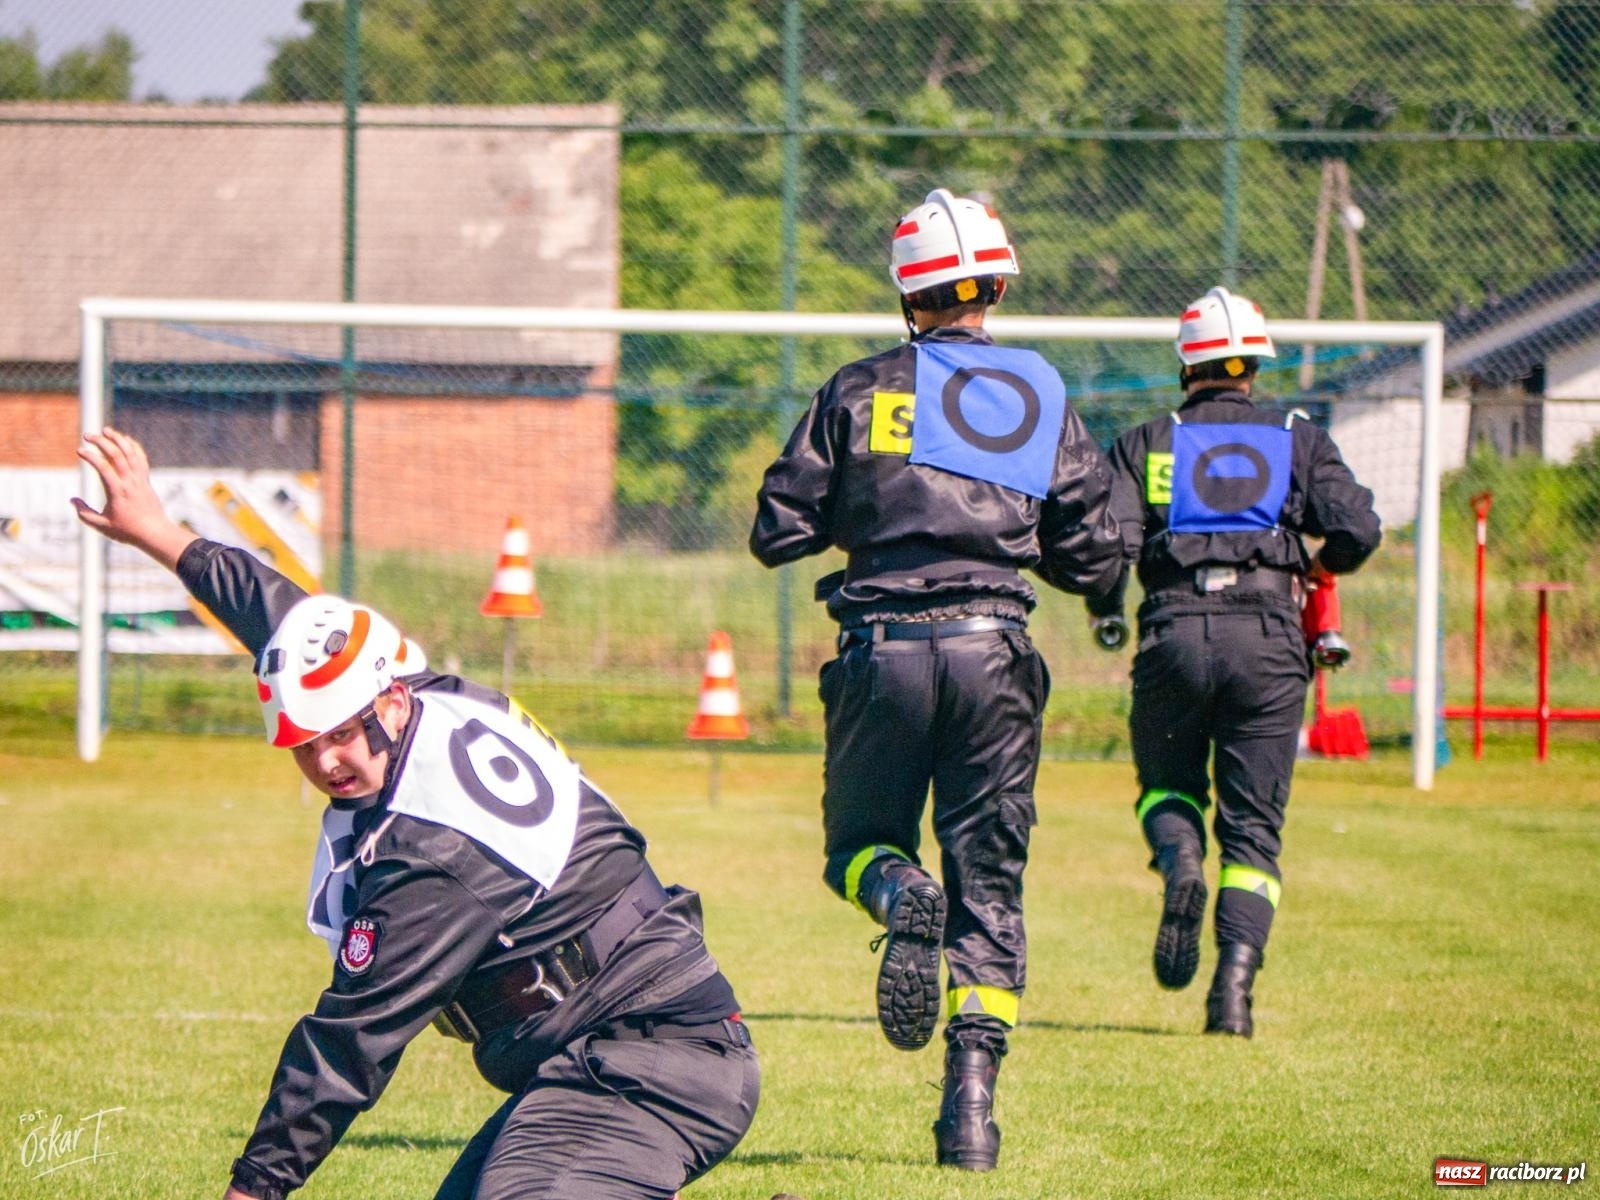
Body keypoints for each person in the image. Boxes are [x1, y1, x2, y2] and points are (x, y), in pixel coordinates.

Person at [73, 428, 758, 1200]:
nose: (328, 761)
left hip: (652, 1058)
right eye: (305, 744)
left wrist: (253, 1189)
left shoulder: (434, 847)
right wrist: (161, 534)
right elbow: (285, 618)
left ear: (387, 701)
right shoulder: (412, 694)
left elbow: (350, 1043)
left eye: (340, 734)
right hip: (605, 1050)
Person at [749, 188, 1122, 1171]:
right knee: (990, 891)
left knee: (857, 849)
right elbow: (1095, 554)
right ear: (994, 283)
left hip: (881, 652)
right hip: (995, 651)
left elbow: (776, 530)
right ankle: (970, 1118)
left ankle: (898, 890)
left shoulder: (856, 388)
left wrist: (872, 505)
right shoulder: (1038, 391)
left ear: (904, 294)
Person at [1086, 286, 1381, 1037]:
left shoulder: (1147, 441)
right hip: (1271, 641)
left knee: (1164, 787)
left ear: (1187, 362)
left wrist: (1105, 606)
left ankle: (1181, 859)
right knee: (1253, 831)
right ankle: (1233, 997)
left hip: (1174, 634)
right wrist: (1319, 566)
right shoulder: (1295, 436)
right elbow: (1359, 528)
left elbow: (1106, 549)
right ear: (1253, 361)